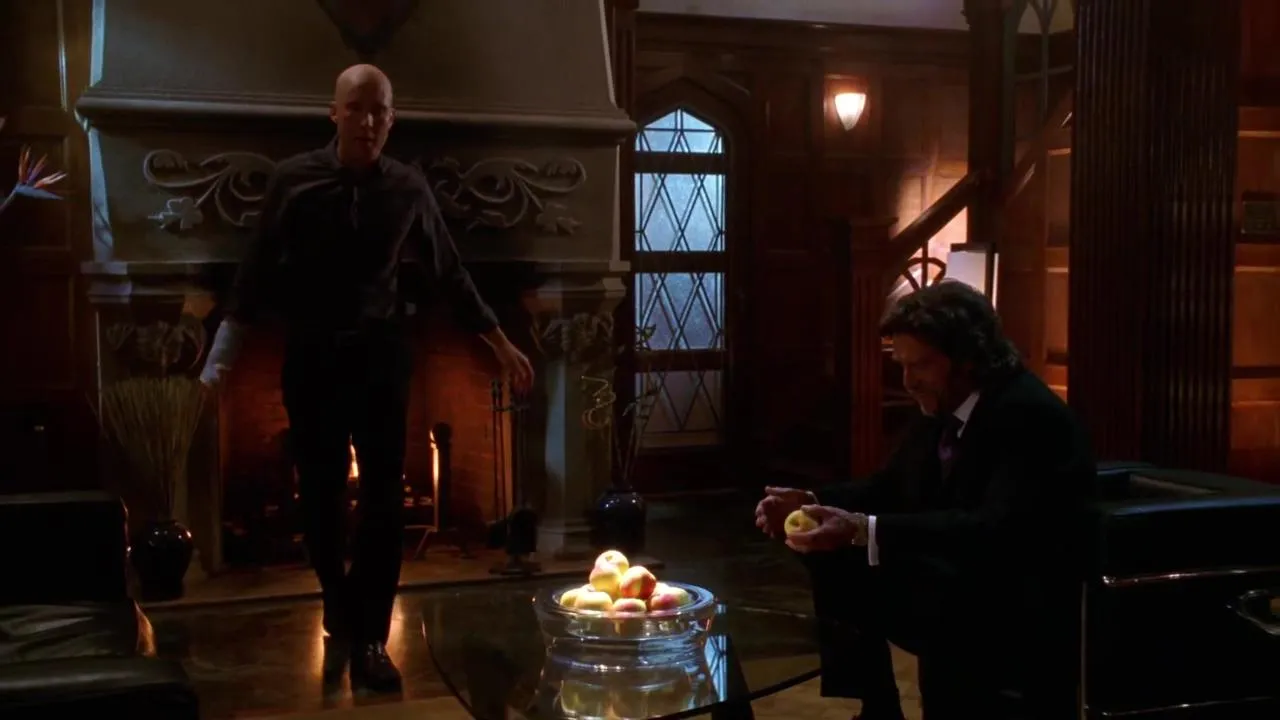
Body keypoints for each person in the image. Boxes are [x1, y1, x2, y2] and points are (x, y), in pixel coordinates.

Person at [199, 64, 534, 692]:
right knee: (320, 496)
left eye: (379, 110)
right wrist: (219, 364)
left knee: (383, 500)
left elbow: (450, 272)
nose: (369, 121)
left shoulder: (408, 187)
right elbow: (253, 274)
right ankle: (338, 600)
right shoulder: (293, 180)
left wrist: (501, 343)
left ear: (392, 118)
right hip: (312, 359)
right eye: (356, 108)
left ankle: (373, 638)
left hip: (381, 359)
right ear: (334, 113)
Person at [756, 280, 1094, 719]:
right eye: (902, 365)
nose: (908, 381)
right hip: (959, 576)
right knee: (831, 552)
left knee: (858, 547)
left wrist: (862, 529)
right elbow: (892, 485)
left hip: (1014, 596)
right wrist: (812, 501)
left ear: (969, 358)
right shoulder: (944, 405)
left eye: (921, 366)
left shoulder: (1029, 415)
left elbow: (994, 529)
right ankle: (876, 705)